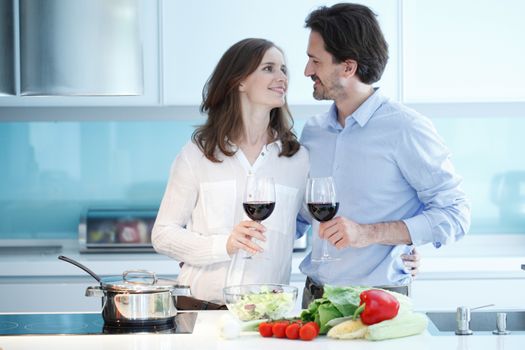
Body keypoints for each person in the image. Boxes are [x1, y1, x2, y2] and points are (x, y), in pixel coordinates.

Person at [298, 3, 470, 307]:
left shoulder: (405, 128)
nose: (307, 71)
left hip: (378, 301)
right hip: (314, 299)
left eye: (315, 61)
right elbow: (300, 216)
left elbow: (455, 213)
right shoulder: (313, 132)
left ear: (348, 68)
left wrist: (369, 233)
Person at [152, 38, 310, 308]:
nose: (282, 77)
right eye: (269, 68)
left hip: (267, 315)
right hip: (200, 308)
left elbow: (310, 222)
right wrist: (224, 245)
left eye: (284, 69)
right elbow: (163, 234)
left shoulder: (297, 158)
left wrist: (404, 250)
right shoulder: (198, 154)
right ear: (239, 81)